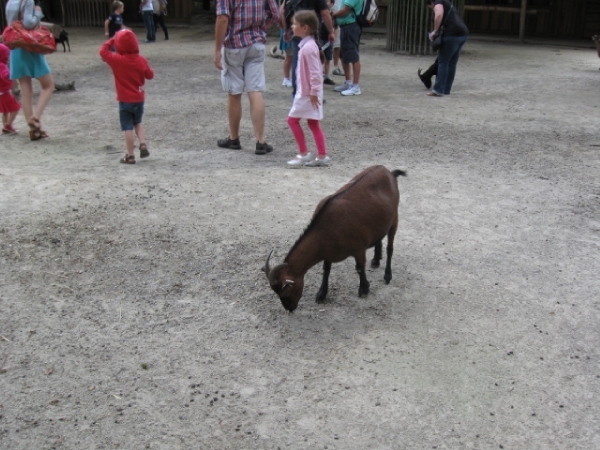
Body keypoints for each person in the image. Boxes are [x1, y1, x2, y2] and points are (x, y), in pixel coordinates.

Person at [213, 0, 279, 155]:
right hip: (256, 43)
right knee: (255, 90)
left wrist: (217, 49)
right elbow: (275, 14)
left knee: (234, 92)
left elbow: (223, 18)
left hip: (234, 45)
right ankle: (260, 141)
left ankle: (234, 138)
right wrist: (261, 28)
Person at [99, 29, 155, 164]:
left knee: (127, 127)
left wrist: (113, 39)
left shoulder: (117, 60)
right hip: (139, 98)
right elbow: (150, 75)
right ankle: (143, 143)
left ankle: (130, 155)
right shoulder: (141, 60)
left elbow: (103, 51)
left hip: (124, 100)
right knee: (138, 123)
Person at [286, 10, 330, 168]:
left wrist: (313, 93)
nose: (292, 26)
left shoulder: (308, 48)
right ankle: (322, 155)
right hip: (308, 92)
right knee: (313, 123)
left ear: (304, 28)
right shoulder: (308, 46)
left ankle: (304, 154)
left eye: (295, 24)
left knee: (292, 120)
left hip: (307, 93)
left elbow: (316, 74)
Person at [5, 0, 55, 140]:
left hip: (16, 48)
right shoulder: (28, 1)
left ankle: (34, 130)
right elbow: (28, 23)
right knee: (48, 85)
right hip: (29, 46)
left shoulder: (10, 2)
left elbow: (11, 24)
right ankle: (35, 119)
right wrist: (38, 14)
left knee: (26, 90)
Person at [280, 0, 334, 95]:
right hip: (312, 32)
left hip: (296, 30)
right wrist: (330, 31)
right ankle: (312, 92)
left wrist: (286, 29)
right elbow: (325, 13)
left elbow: (282, 12)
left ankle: (297, 91)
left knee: (297, 61)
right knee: (313, 62)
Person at [425, 0, 468, 97]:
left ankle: (438, 90)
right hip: (462, 34)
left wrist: (435, 31)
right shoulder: (447, 3)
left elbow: (439, 14)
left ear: (431, 3)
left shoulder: (438, 2)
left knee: (443, 62)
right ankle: (446, 89)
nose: (433, 9)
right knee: (451, 63)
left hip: (451, 35)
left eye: (431, 7)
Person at [331, 0, 363, 96]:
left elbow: (344, 11)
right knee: (343, 55)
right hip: (345, 26)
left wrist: (332, 14)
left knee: (353, 56)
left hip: (351, 26)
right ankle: (348, 82)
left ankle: (356, 86)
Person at [0, 43, 21, 134]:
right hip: (5, 92)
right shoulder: (2, 65)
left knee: (5, 111)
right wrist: (12, 73)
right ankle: (8, 125)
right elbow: (5, 75)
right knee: (16, 108)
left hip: (1, 92)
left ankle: (5, 126)